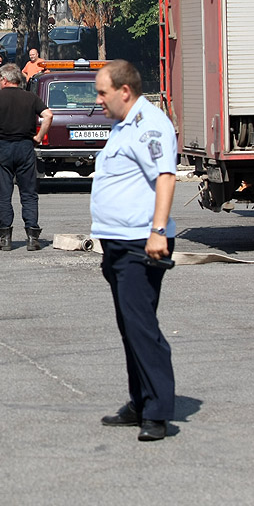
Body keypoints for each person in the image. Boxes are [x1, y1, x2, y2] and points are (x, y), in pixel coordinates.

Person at [90, 60, 177, 443]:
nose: (98, 101)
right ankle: (140, 400)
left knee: (141, 325)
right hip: (118, 241)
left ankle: (157, 411)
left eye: (102, 92)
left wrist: (158, 231)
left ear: (124, 90)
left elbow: (165, 176)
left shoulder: (150, 124)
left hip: (140, 241)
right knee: (129, 325)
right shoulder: (123, 125)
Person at [0, 63, 53, 251]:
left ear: (3, 79)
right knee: (28, 193)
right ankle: (32, 236)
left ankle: (5, 238)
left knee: (4, 194)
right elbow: (48, 115)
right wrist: (38, 137)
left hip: (3, 146)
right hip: (25, 146)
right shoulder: (30, 97)